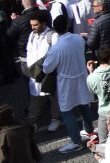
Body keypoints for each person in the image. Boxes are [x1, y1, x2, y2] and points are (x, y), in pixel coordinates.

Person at [41, 15, 95, 153]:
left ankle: (76, 141)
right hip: (81, 75)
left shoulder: (57, 48)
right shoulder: (78, 39)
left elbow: (47, 68)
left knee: (67, 110)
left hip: (66, 81)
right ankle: (90, 131)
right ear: (67, 25)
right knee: (84, 104)